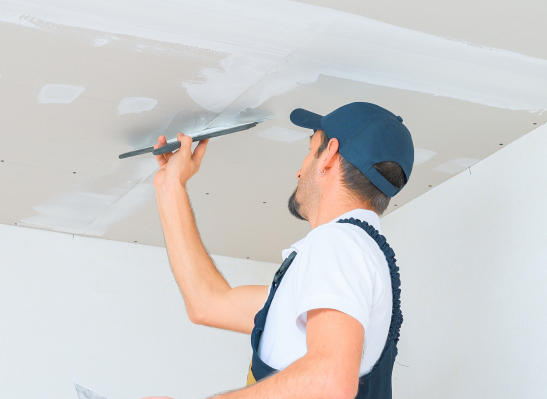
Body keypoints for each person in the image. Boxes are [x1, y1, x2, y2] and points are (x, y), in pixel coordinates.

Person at [148, 102, 413, 399]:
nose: (299, 171)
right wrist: (170, 185)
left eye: (310, 150)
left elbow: (330, 380)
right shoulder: (348, 257)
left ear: (328, 155)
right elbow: (208, 303)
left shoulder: (339, 244)